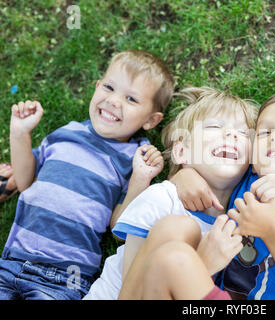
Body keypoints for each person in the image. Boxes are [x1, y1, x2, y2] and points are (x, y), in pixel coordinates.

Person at [136, 91, 275, 300]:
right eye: (264, 132)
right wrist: (184, 175)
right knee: (171, 254)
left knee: (173, 260)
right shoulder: (247, 181)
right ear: (252, 159)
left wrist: (273, 232)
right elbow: (209, 156)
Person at [0, 50, 173, 300]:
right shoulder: (66, 133)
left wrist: (140, 179)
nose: (114, 101)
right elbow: (26, 181)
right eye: (110, 87)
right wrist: (19, 133)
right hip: (12, 262)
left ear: (151, 120)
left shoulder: (133, 158)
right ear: (97, 86)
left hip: (63, 278)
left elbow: (118, 227)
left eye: (131, 99)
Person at [83, 86, 258, 300]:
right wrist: (205, 263)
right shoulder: (162, 200)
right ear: (181, 151)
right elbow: (133, 292)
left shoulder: (243, 217)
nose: (232, 134)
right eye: (214, 126)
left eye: (243, 133)